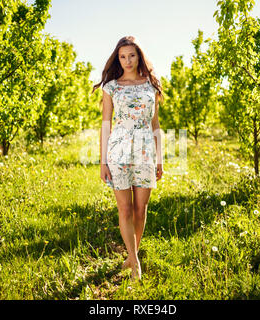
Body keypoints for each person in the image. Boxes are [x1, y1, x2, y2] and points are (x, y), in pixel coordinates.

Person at [93, 36, 164, 281]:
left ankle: (131, 256)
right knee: (124, 209)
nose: (127, 61)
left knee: (140, 210)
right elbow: (105, 124)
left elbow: (155, 123)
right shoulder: (111, 86)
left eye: (131, 55)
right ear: (118, 58)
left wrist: (160, 157)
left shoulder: (151, 85)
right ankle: (135, 263)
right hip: (118, 151)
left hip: (145, 150)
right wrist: (103, 161)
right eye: (122, 56)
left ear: (139, 56)